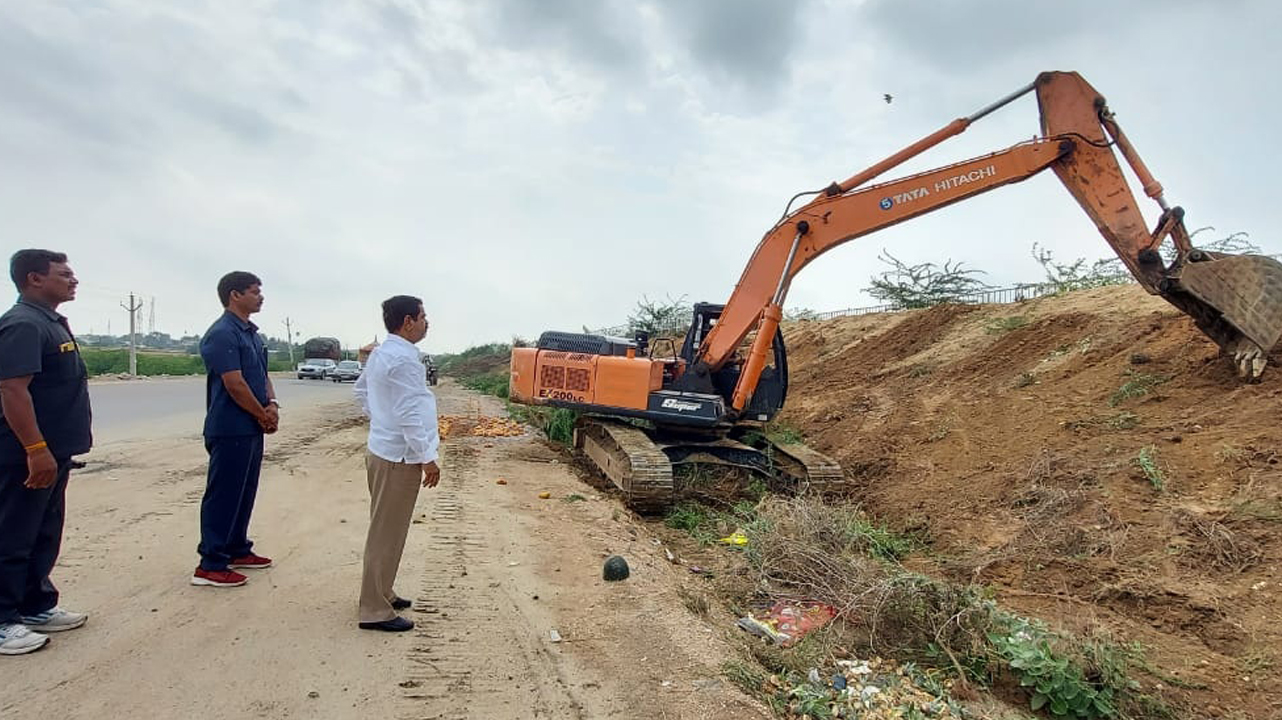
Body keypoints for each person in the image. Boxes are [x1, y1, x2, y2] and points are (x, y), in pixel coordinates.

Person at [0, 250, 92, 656]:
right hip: (25, 454)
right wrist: (35, 450)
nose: (73, 280)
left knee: (43, 531)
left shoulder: (48, 321)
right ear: (35, 279)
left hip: (54, 452)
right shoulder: (22, 324)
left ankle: (35, 605)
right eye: (64, 274)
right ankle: (3, 620)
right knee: (13, 534)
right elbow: (11, 390)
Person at [353, 295, 440, 631]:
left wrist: (382, 422)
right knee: (386, 533)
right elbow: (408, 412)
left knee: (388, 530)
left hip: (384, 450)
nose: (426, 322)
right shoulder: (402, 360)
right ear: (408, 322)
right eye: (422, 316)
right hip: (398, 457)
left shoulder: (384, 354)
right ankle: (374, 609)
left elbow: (362, 394)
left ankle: (382, 591)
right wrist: (427, 458)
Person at [192, 271, 279, 588]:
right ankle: (211, 563)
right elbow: (235, 384)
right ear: (234, 295)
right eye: (255, 291)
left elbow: (262, 376)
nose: (261, 296)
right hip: (230, 427)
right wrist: (261, 414)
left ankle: (236, 548)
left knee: (244, 492)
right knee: (224, 494)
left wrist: (272, 405)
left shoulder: (252, 334)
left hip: (251, 426)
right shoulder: (222, 333)